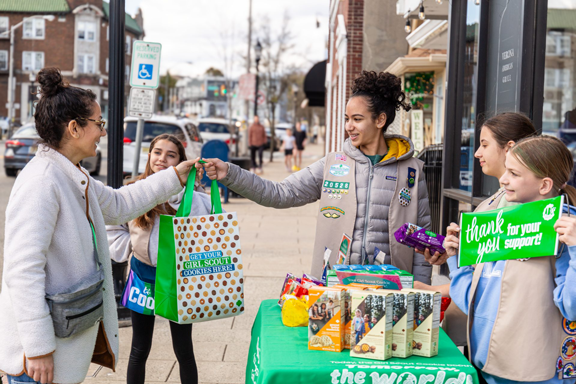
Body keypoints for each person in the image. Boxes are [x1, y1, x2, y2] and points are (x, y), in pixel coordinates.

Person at [0, 68, 200, 384]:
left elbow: (120, 204)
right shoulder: (42, 182)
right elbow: (22, 270)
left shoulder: (71, 175)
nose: (103, 132)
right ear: (74, 128)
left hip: (59, 347)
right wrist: (37, 348)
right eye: (99, 124)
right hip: (38, 361)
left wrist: (175, 176)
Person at [202, 70, 435, 283]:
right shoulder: (333, 164)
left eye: (357, 119)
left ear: (380, 120)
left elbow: (422, 244)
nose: (349, 126)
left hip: (391, 290)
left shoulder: (412, 171)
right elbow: (281, 194)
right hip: (337, 285)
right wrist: (230, 173)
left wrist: (422, 293)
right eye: (347, 118)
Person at [444, 135, 576, 383]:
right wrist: (456, 261)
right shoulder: (497, 224)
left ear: (544, 185)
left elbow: (572, 307)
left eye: (514, 173)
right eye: (506, 170)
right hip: (485, 366)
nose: (503, 179)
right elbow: (474, 302)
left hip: (536, 375)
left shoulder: (565, 230)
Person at [415, 112, 537, 351]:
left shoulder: (522, 211)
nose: (477, 153)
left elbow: (497, 281)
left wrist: (437, 288)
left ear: (509, 148)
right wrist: (454, 251)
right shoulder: (494, 200)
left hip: (497, 341)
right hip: (480, 335)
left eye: (484, 145)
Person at [107, 134, 210, 384]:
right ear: (149, 155)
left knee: (184, 351)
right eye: (157, 152)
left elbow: (210, 220)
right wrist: (134, 245)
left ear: (181, 161)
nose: (162, 159)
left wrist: (178, 191)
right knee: (139, 350)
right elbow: (112, 226)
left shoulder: (193, 195)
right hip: (142, 276)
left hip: (179, 280)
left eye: (171, 154)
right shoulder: (135, 191)